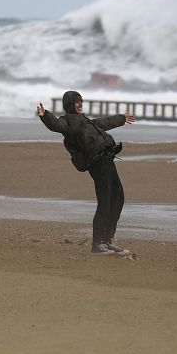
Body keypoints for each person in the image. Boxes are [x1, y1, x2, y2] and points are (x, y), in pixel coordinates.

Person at [37, 91, 136, 255]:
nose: (80, 104)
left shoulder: (85, 120)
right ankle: (98, 244)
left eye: (81, 101)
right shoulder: (67, 122)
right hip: (97, 164)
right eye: (76, 102)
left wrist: (121, 118)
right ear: (70, 104)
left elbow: (103, 122)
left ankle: (108, 240)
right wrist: (45, 115)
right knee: (105, 202)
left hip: (107, 160)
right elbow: (56, 125)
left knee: (117, 199)